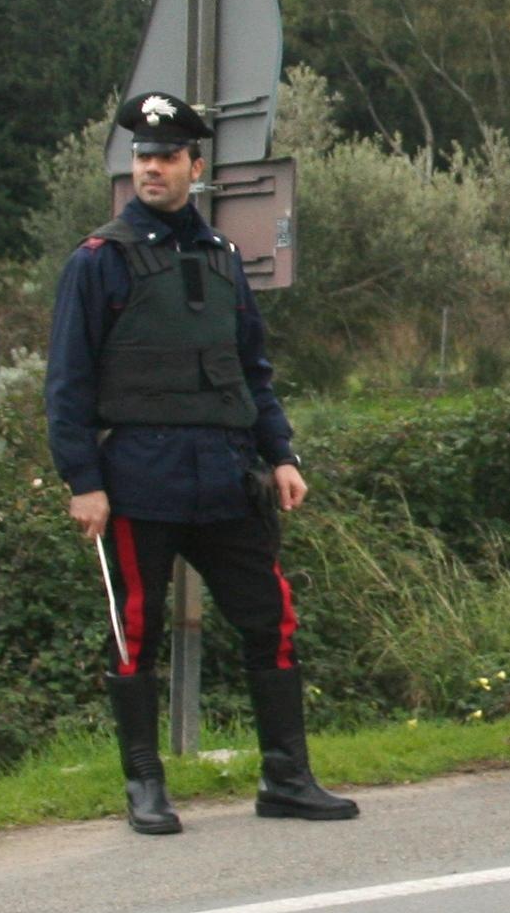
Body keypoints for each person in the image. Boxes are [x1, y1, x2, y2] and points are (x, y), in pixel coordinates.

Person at [44, 91, 357, 835]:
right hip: (138, 479)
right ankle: (145, 787)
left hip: (225, 475)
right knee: (136, 631)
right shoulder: (98, 261)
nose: (151, 169)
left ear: (194, 165)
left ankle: (286, 777)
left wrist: (281, 454)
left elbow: (252, 370)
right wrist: (83, 481)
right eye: (142, 158)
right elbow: (67, 382)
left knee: (271, 619)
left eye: (165, 157)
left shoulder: (222, 258)